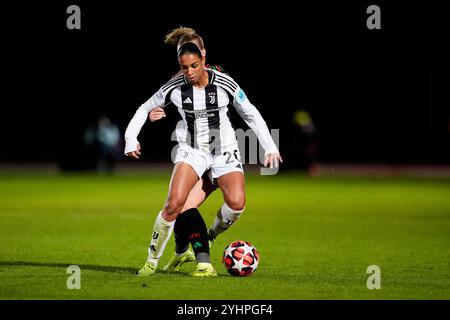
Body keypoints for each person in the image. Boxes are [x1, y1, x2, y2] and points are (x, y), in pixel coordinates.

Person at [124, 28, 282, 277]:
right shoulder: (175, 86)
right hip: (192, 150)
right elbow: (144, 108)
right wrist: (131, 139)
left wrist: (270, 147)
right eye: (183, 66)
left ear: (204, 58)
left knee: (237, 204)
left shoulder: (224, 83)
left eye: (193, 66)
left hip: (224, 149)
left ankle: (209, 236)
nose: (188, 72)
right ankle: (151, 261)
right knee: (174, 205)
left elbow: (250, 113)